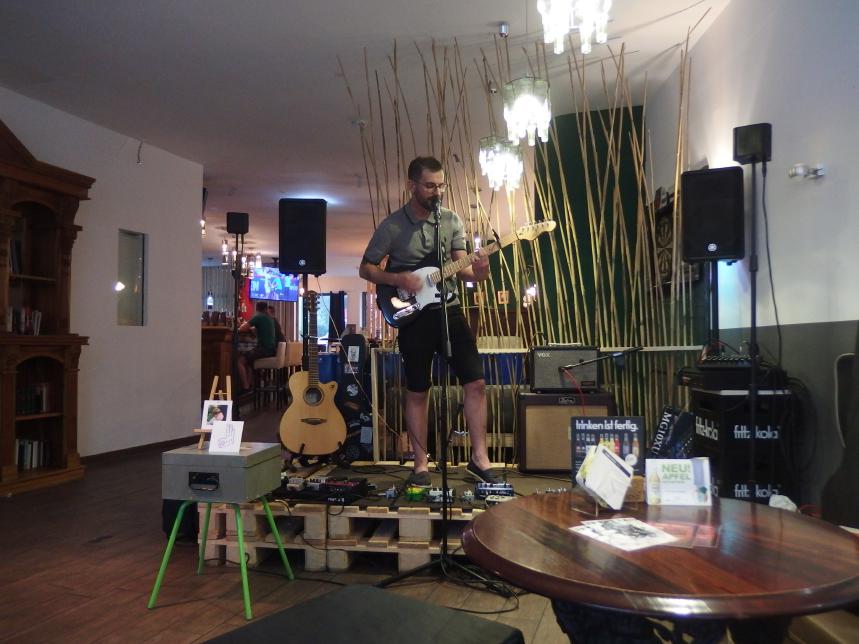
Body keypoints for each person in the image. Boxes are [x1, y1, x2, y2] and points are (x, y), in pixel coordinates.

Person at [359, 155, 499, 486]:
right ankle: (421, 464)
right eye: (430, 185)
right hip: (414, 316)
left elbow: (462, 268)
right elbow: (366, 268)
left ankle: (479, 459)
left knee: (476, 383)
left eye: (441, 185)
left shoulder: (450, 220)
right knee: (418, 390)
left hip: (449, 309)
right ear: (412, 186)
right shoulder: (393, 225)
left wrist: (480, 272)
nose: (437, 192)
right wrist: (398, 279)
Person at [237, 300, 276, 391]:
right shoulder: (269, 318)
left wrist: (240, 325)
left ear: (257, 309)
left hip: (263, 350)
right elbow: (257, 330)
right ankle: (250, 386)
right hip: (271, 350)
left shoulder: (258, 317)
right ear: (266, 309)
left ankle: (246, 387)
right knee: (250, 361)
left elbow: (242, 329)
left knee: (240, 361)